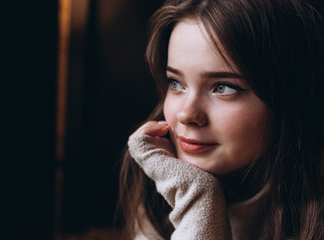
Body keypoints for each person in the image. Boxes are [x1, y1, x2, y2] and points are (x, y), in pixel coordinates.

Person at [118, 0, 324, 239]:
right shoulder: (160, 196)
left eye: (223, 87)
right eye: (176, 83)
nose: (187, 114)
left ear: (289, 94)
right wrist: (196, 193)